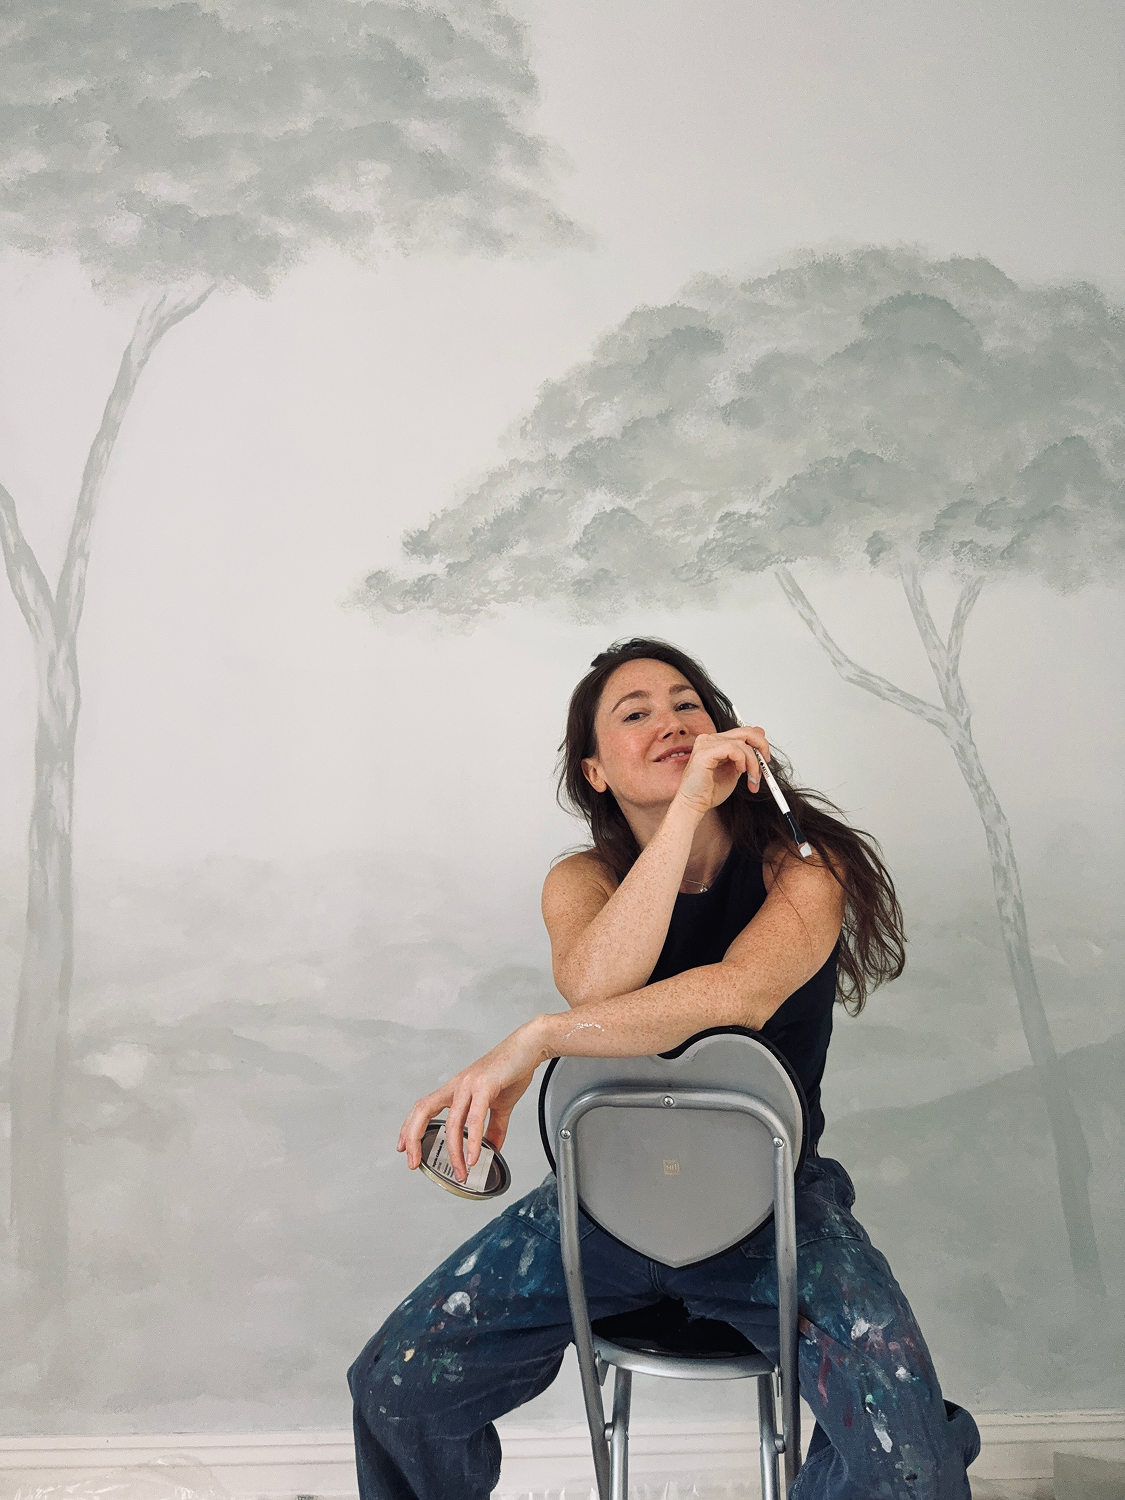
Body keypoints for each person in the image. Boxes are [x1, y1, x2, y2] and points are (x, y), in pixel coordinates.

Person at [348, 637, 981, 1499]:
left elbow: (738, 998)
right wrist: (683, 812)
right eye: (634, 713)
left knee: (907, 1449)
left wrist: (536, 1040)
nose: (671, 722)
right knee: (395, 1385)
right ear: (595, 771)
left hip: (771, 1204)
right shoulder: (578, 880)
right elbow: (597, 982)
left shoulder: (804, 868)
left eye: (688, 704)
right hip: (598, 1206)